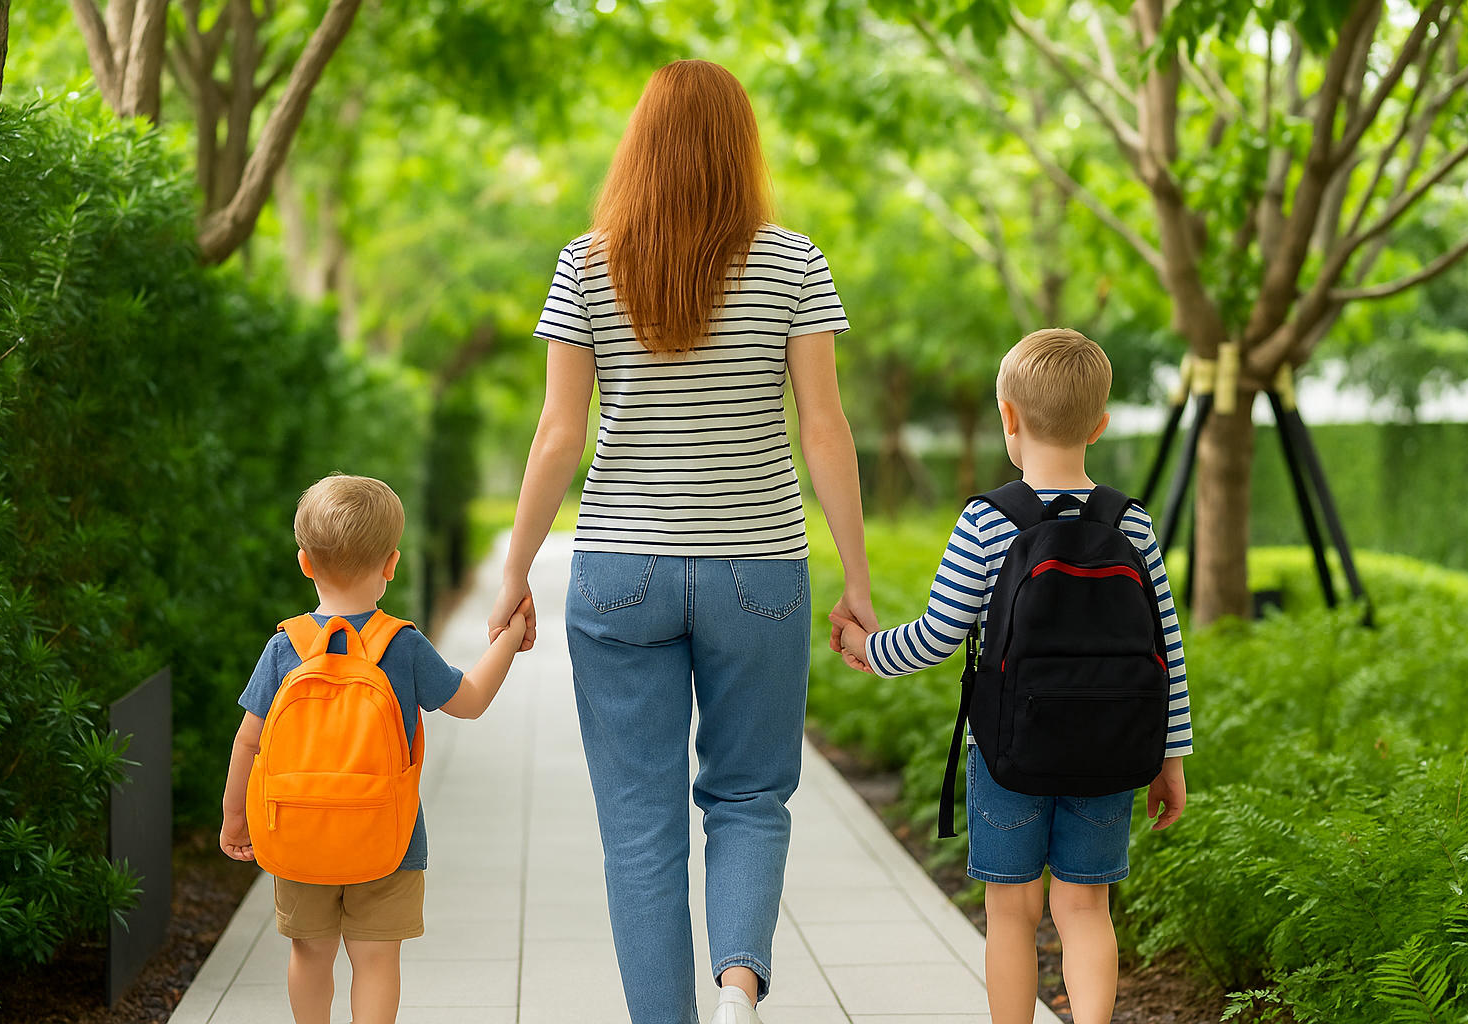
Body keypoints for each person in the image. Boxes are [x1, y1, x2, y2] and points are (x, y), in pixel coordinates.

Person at [487, 60, 877, 1024]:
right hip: (760, 570)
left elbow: (557, 436)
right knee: (749, 798)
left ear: (641, 147)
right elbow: (823, 427)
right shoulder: (794, 263)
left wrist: (515, 572)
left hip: (622, 570)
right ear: (742, 148)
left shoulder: (589, 264)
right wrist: (858, 581)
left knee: (639, 829)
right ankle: (739, 985)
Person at [832, 329, 1191, 1024]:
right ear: (1100, 425)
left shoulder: (987, 521)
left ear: (1008, 417)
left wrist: (869, 648)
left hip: (1007, 752)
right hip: (1113, 750)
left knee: (1012, 911)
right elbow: (1167, 649)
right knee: (1085, 907)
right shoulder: (1133, 524)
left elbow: (938, 635)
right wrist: (1170, 755)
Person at [219, 473, 527, 1024]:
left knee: (309, 952)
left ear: (304, 562)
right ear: (392, 563)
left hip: (299, 833)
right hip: (390, 837)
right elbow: (471, 700)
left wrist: (235, 816)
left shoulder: (284, 647)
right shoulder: (402, 645)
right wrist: (509, 634)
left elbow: (248, 740)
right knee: (377, 959)